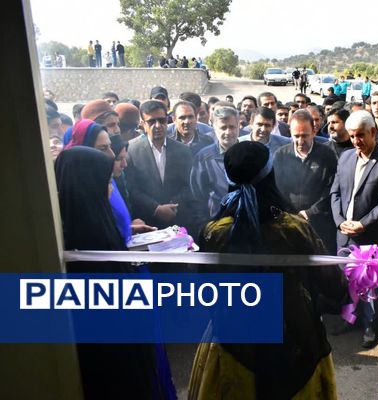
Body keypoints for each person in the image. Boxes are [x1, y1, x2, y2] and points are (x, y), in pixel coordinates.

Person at [188, 141, 347, 400]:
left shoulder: (213, 232)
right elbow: (333, 285)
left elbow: (205, 288)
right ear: (270, 175)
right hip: (294, 338)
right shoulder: (294, 228)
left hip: (233, 341)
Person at [55, 146, 176, 400]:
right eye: (107, 182)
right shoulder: (85, 242)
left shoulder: (95, 224)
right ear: (88, 186)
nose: (111, 190)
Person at [330, 110, 378, 348]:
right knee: (346, 280)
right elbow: (335, 192)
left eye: (360, 135)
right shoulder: (346, 157)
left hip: (370, 236)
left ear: (373, 132)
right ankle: (349, 319)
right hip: (344, 234)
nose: (355, 141)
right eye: (352, 136)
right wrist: (340, 221)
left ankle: (371, 325)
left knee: (370, 286)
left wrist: (363, 224)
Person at [126, 100, 197, 233]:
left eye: (162, 120)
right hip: (147, 223)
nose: (158, 125)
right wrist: (156, 208)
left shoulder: (183, 150)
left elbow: (190, 185)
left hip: (177, 220)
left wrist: (172, 205)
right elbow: (131, 188)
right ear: (142, 124)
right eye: (151, 121)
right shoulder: (131, 150)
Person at [273, 109, 338, 254]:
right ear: (290, 133)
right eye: (296, 136)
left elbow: (331, 189)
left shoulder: (327, 155)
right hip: (289, 222)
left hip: (319, 224)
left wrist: (310, 213)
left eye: (305, 136)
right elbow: (277, 189)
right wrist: (292, 214)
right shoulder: (281, 155)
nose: (300, 141)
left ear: (314, 131)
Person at [190, 105, 240, 233]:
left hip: (245, 225)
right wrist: (204, 227)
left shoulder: (250, 154)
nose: (228, 132)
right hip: (216, 225)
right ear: (214, 129)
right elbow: (197, 196)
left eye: (232, 127)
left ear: (239, 126)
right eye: (223, 128)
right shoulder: (204, 157)